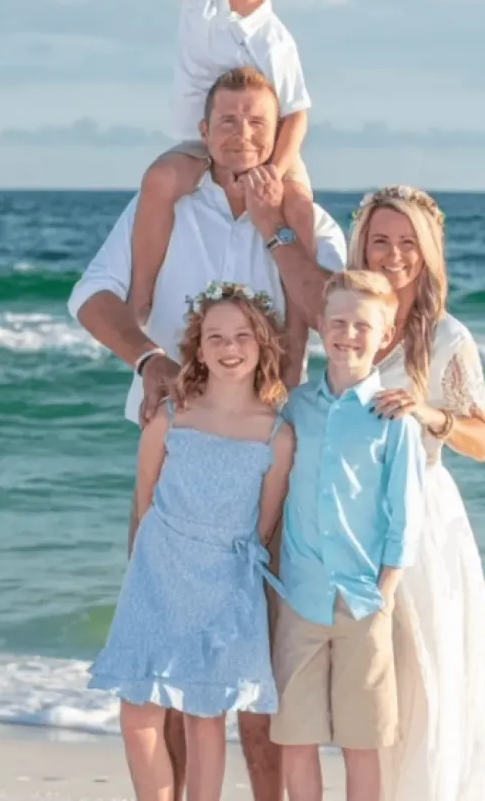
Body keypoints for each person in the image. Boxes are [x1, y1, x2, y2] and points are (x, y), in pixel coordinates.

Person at [68, 67, 346, 801]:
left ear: (281, 129)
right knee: (166, 680)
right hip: (179, 452)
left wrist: (278, 230)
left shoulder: (305, 215)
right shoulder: (165, 199)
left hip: (266, 453)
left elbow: (335, 313)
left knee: (254, 670)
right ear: (203, 127)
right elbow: (90, 297)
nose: (242, 135)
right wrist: (150, 358)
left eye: (258, 122)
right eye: (227, 121)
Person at [69, 0, 315, 382]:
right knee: (160, 178)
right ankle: (141, 294)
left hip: (269, 147)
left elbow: (297, 115)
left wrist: (275, 173)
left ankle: (296, 355)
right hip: (201, 144)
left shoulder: (275, 40)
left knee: (301, 211)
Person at [89, 282, 294, 801]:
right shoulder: (172, 415)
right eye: (216, 337)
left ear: (263, 342)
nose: (230, 348)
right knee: (138, 712)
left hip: (225, 584)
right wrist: (141, 575)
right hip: (157, 575)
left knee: (206, 717)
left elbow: (264, 525)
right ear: (198, 348)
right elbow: (144, 500)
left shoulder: (277, 434)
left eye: (242, 336)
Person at [347, 186, 485, 801]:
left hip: (424, 522)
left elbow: (483, 439)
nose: (394, 254)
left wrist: (428, 414)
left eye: (409, 242)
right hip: (350, 514)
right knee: (368, 694)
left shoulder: (446, 337)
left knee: (425, 682)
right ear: (362, 244)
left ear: (429, 252)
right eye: (380, 240)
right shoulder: (344, 315)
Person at [271, 270, 426, 801]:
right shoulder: (294, 408)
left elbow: (405, 516)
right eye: (338, 322)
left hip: (364, 602)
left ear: (386, 335)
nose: (349, 334)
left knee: (363, 743)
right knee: (296, 739)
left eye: (363, 325)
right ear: (319, 326)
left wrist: (384, 592)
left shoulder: (394, 420)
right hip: (301, 598)